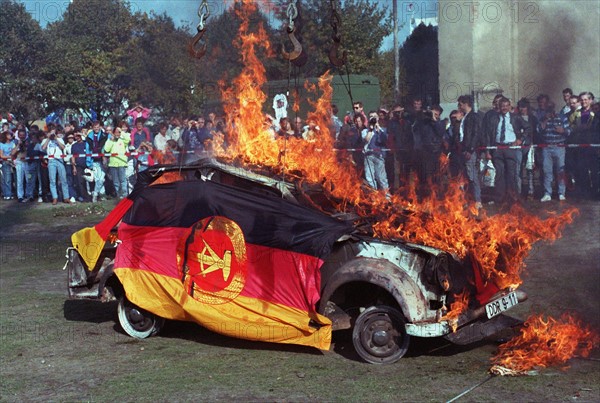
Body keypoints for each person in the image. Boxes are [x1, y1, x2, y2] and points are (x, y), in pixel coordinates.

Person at [485, 97, 527, 205]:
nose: (504, 108)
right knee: (499, 173)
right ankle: (500, 198)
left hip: (510, 148)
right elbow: (488, 135)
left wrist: (520, 140)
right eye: (502, 106)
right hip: (497, 148)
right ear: (499, 107)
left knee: (511, 174)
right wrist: (488, 151)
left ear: (509, 106)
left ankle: (512, 197)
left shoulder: (515, 117)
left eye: (506, 105)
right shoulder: (493, 118)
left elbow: (528, 128)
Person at [538, 105, 570, 202]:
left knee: (560, 170)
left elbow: (569, 131)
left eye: (551, 110)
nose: (550, 112)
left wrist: (563, 130)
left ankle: (561, 193)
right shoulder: (543, 118)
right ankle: (547, 193)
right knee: (547, 171)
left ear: (554, 110)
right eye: (548, 110)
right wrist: (545, 121)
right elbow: (538, 130)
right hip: (546, 147)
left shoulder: (562, 117)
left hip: (559, 146)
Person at [457, 95, 484, 207]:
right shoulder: (466, 117)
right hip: (464, 149)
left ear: (465, 104)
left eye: (460, 104)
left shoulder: (473, 117)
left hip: (470, 150)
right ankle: (469, 199)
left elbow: (475, 134)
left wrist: (470, 149)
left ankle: (477, 200)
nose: (459, 106)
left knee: (472, 175)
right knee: (467, 176)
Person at [412, 105, 445, 195]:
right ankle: (426, 196)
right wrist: (422, 115)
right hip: (425, 152)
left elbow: (441, 132)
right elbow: (415, 130)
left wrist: (434, 120)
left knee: (436, 177)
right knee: (425, 176)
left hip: (436, 153)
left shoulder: (441, 123)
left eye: (436, 113)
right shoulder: (424, 122)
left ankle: (437, 196)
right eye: (433, 112)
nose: (434, 115)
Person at [41, 127, 71, 204]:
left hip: (59, 160)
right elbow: (43, 148)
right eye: (51, 132)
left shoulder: (60, 139)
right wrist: (48, 138)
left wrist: (56, 139)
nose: (52, 134)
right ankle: (55, 197)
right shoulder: (45, 140)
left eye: (54, 132)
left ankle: (66, 197)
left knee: (63, 179)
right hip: (51, 161)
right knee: (52, 180)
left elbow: (63, 147)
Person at [361, 111, 389, 194]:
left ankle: (387, 197)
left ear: (378, 118)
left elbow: (384, 140)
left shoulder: (383, 130)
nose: (373, 118)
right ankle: (374, 196)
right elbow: (366, 139)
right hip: (368, 156)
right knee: (370, 178)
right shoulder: (365, 131)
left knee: (381, 178)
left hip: (379, 156)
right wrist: (371, 129)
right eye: (371, 116)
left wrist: (378, 128)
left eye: (374, 117)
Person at [516, 98, 537, 199]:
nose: (522, 109)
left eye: (524, 107)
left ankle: (531, 190)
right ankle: (519, 191)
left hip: (530, 145)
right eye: (520, 107)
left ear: (527, 108)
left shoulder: (533, 118)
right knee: (518, 168)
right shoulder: (515, 118)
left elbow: (535, 132)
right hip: (518, 146)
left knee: (530, 169)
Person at [85, 121, 109, 203]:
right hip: (93, 161)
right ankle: (96, 195)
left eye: (98, 127)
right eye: (95, 127)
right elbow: (88, 150)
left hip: (102, 160)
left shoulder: (104, 136)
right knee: (99, 179)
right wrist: (89, 162)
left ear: (100, 127)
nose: (96, 128)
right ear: (92, 127)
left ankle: (100, 194)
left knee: (102, 179)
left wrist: (105, 157)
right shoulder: (89, 137)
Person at [103, 127, 130, 199]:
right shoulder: (110, 140)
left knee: (123, 180)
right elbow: (106, 149)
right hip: (113, 164)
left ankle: (125, 195)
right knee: (116, 182)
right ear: (114, 133)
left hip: (122, 163)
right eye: (116, 132)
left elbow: (128, 139)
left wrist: (122, 131)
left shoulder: (122, 140)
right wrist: (111, 140)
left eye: (119, 132)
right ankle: (118, 196)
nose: (117, 134)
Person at [70, 131, 89, 202]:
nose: (77, 137)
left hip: (87, 165)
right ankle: (84, 197)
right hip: (78, 166)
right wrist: (74, 167)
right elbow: (73, 157)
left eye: (78, 136)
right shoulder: (74, 146)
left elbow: (90, 140)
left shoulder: (86, 143)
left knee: (89, 181)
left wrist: (82, 134)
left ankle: (91, 196)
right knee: (80, 182)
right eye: (76, 136)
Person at [0, 131, 15, 200]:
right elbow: (2, 156)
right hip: (6, 162)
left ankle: (11, 193)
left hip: (13, 163)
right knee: (7, 179)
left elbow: (14, 152)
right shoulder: (2, 144)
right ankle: (7, 194)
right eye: (9, 134)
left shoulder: (12, 143)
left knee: (12, 179)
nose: (10, 135)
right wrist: (9, 157)